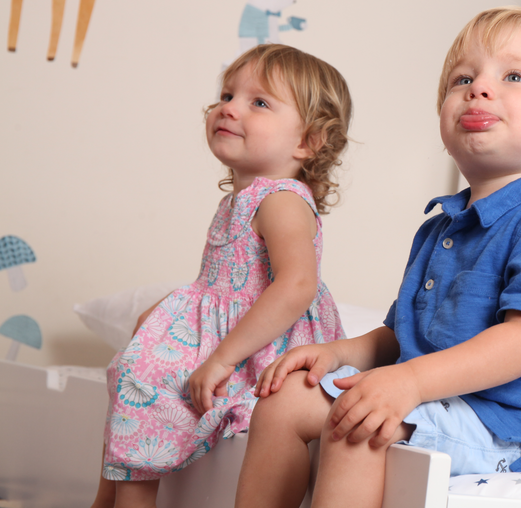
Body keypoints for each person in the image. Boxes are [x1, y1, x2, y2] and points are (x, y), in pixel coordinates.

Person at [235, 7, 521, 508]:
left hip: (512, 425)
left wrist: (408, 382)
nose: (478, 88)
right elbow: (401, 336)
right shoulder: (441, 227)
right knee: (282, 404)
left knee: (357, 421)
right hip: (442, 400)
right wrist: (340, 353)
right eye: (462, 79)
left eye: (513, 76)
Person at [90, 44, 353, 508]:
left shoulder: (282, 200)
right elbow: (223, 286)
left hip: (261, 348)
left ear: (307, 141)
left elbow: (295, 286)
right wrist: (165, 316)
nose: (228, 107)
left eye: (258, 102)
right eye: (227, 94)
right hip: (230, 333)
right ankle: (110, 496)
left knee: (145, 379)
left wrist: (223, 359)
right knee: (133, 363)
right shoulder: (241, 199)